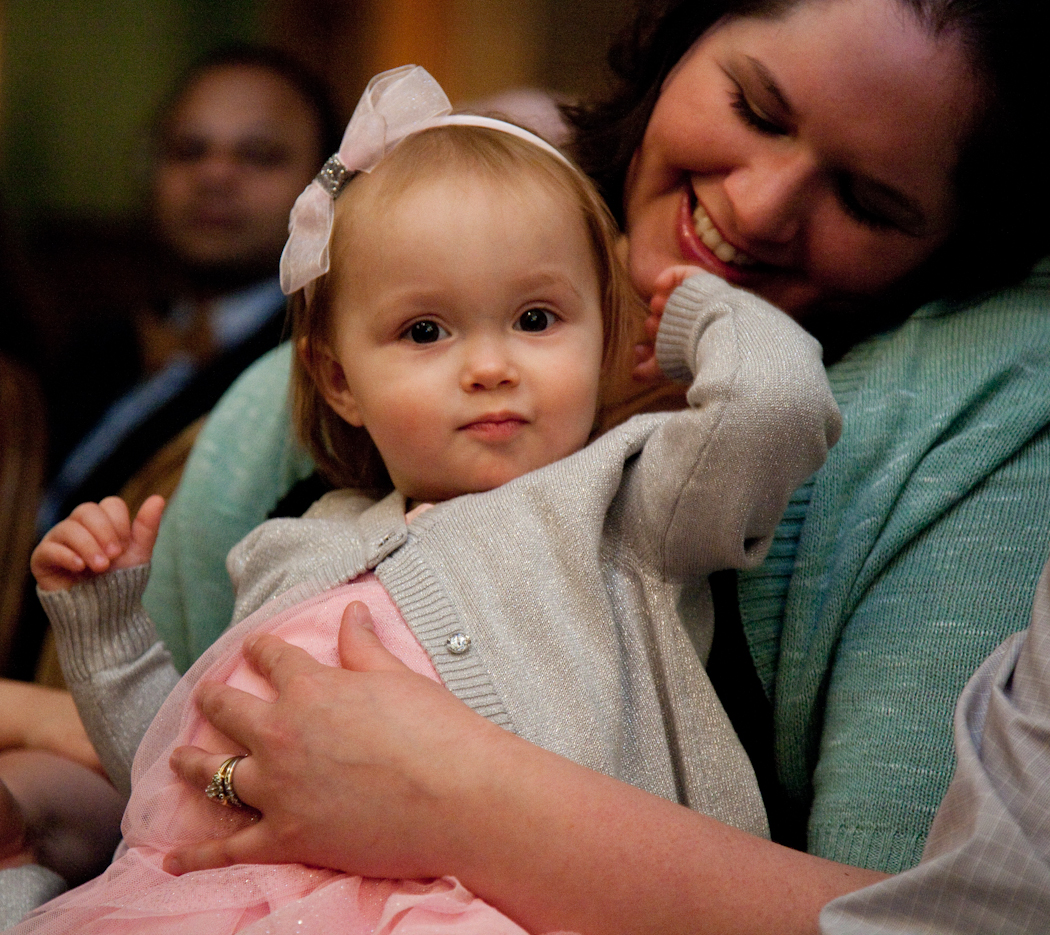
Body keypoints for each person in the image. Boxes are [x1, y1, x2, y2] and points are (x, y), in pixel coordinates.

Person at [131, 0, 1050, 932]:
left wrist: (455, 797)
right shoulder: (369, 324)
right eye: (756, 109)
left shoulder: (921, 426)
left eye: (866, 200)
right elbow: (173, 761)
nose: (759, 205)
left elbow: (926, 912)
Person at [16, 66, 840, 933]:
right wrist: (108, 634)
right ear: (340, 381)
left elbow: (779, 409)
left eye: (535, 318)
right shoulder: (291, 550)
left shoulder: (629, 505)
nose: (490, 365)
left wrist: (696, 310)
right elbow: (178, 786)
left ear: (606, 331)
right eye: (425, 331)